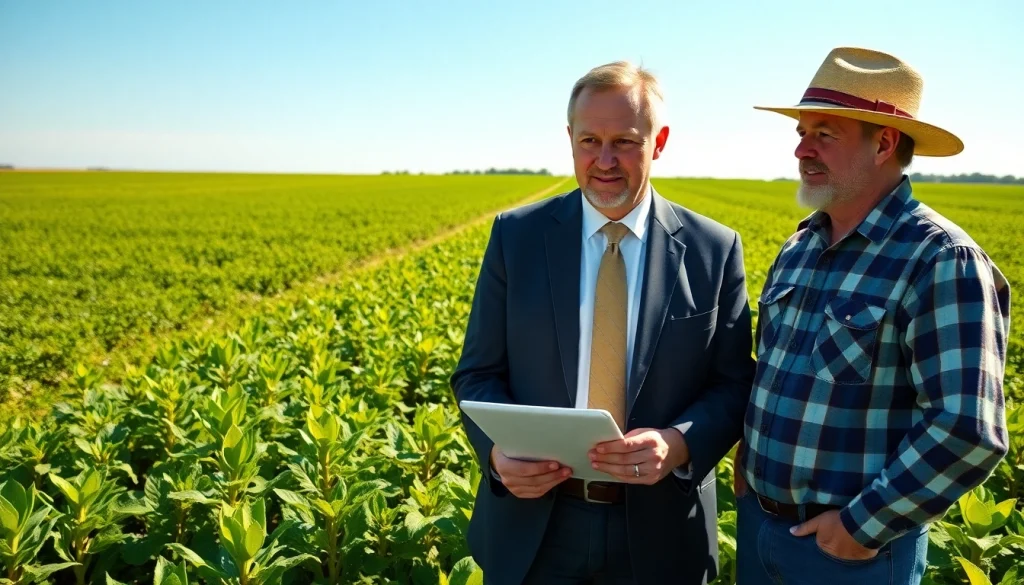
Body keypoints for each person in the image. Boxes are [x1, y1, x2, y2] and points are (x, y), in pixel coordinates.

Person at [450, 61, 756, 585]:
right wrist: (497, 457)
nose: (605, 160)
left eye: (625, 142)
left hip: (661, 530)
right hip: (534, 525)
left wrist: (678, 443)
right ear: (570, 138)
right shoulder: (516, 237)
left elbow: (733, 384)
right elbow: (477, 373)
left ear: (659, 143)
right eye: (590, 140)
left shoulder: (714, 249)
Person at [736, 46, 1012, 585]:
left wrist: (861, 527)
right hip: (759, 527)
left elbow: (966, 428)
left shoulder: (940, 257)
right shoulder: (799, 247)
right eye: (802, 131)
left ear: (884, 143)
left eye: (824, 134)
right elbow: (770, 371)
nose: (802, 149)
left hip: (849, 556)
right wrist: (748, 465)